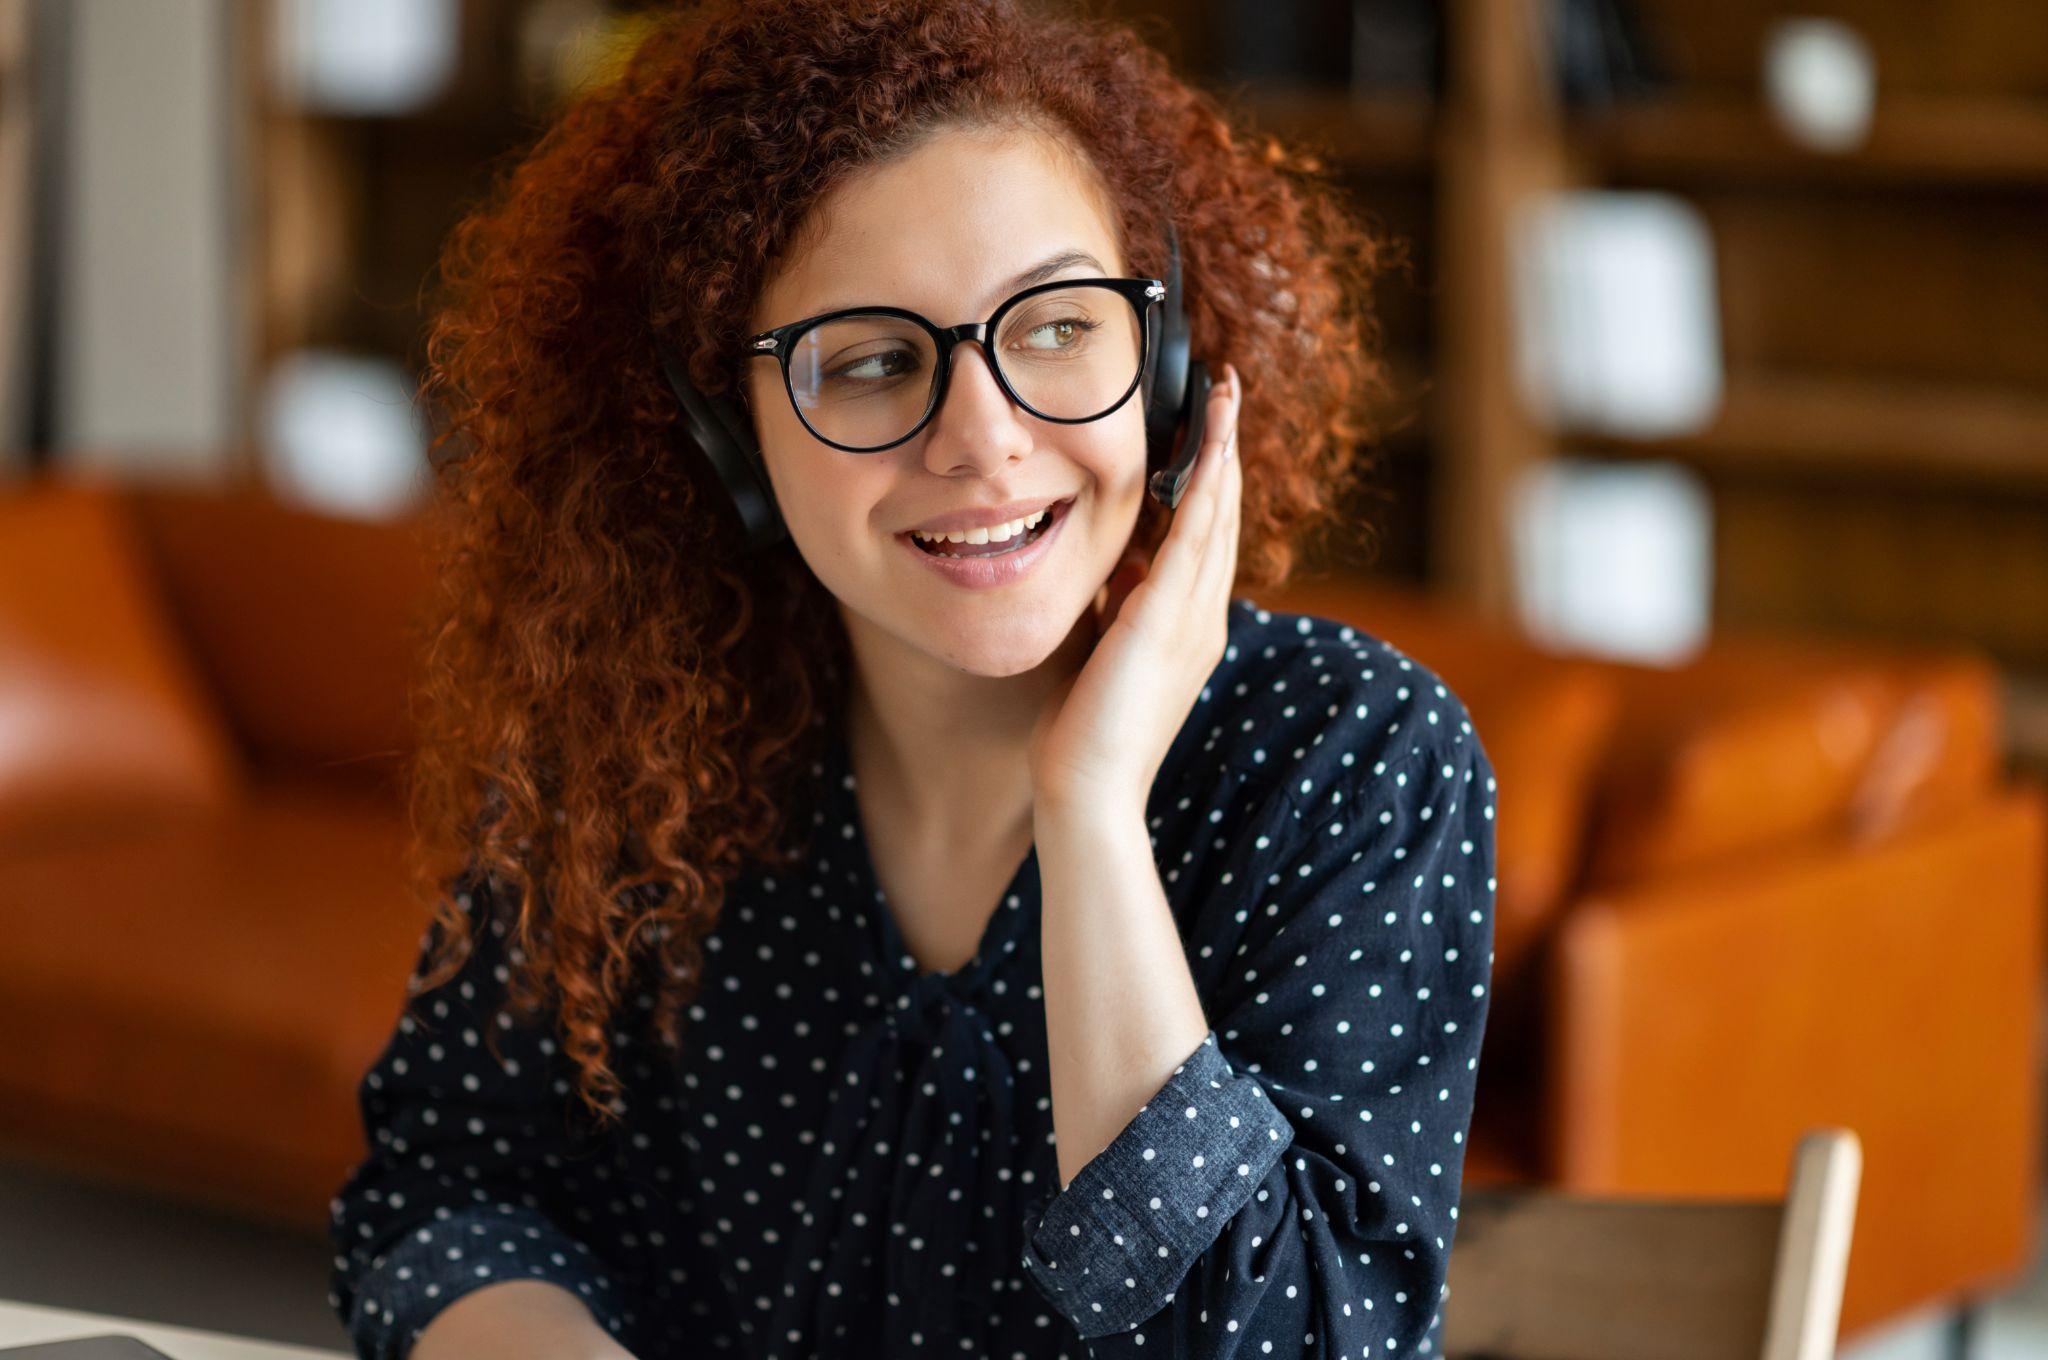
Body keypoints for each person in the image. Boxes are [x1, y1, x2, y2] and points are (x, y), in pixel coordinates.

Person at [325, 0, 1498, 1357]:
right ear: (724, 431)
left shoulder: (1348, 762)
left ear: (1164, 362)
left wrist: (1095, 810)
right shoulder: (639, 749)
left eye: (1059, 327)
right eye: (875, 363)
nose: (986, 444)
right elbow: (454, 1188)